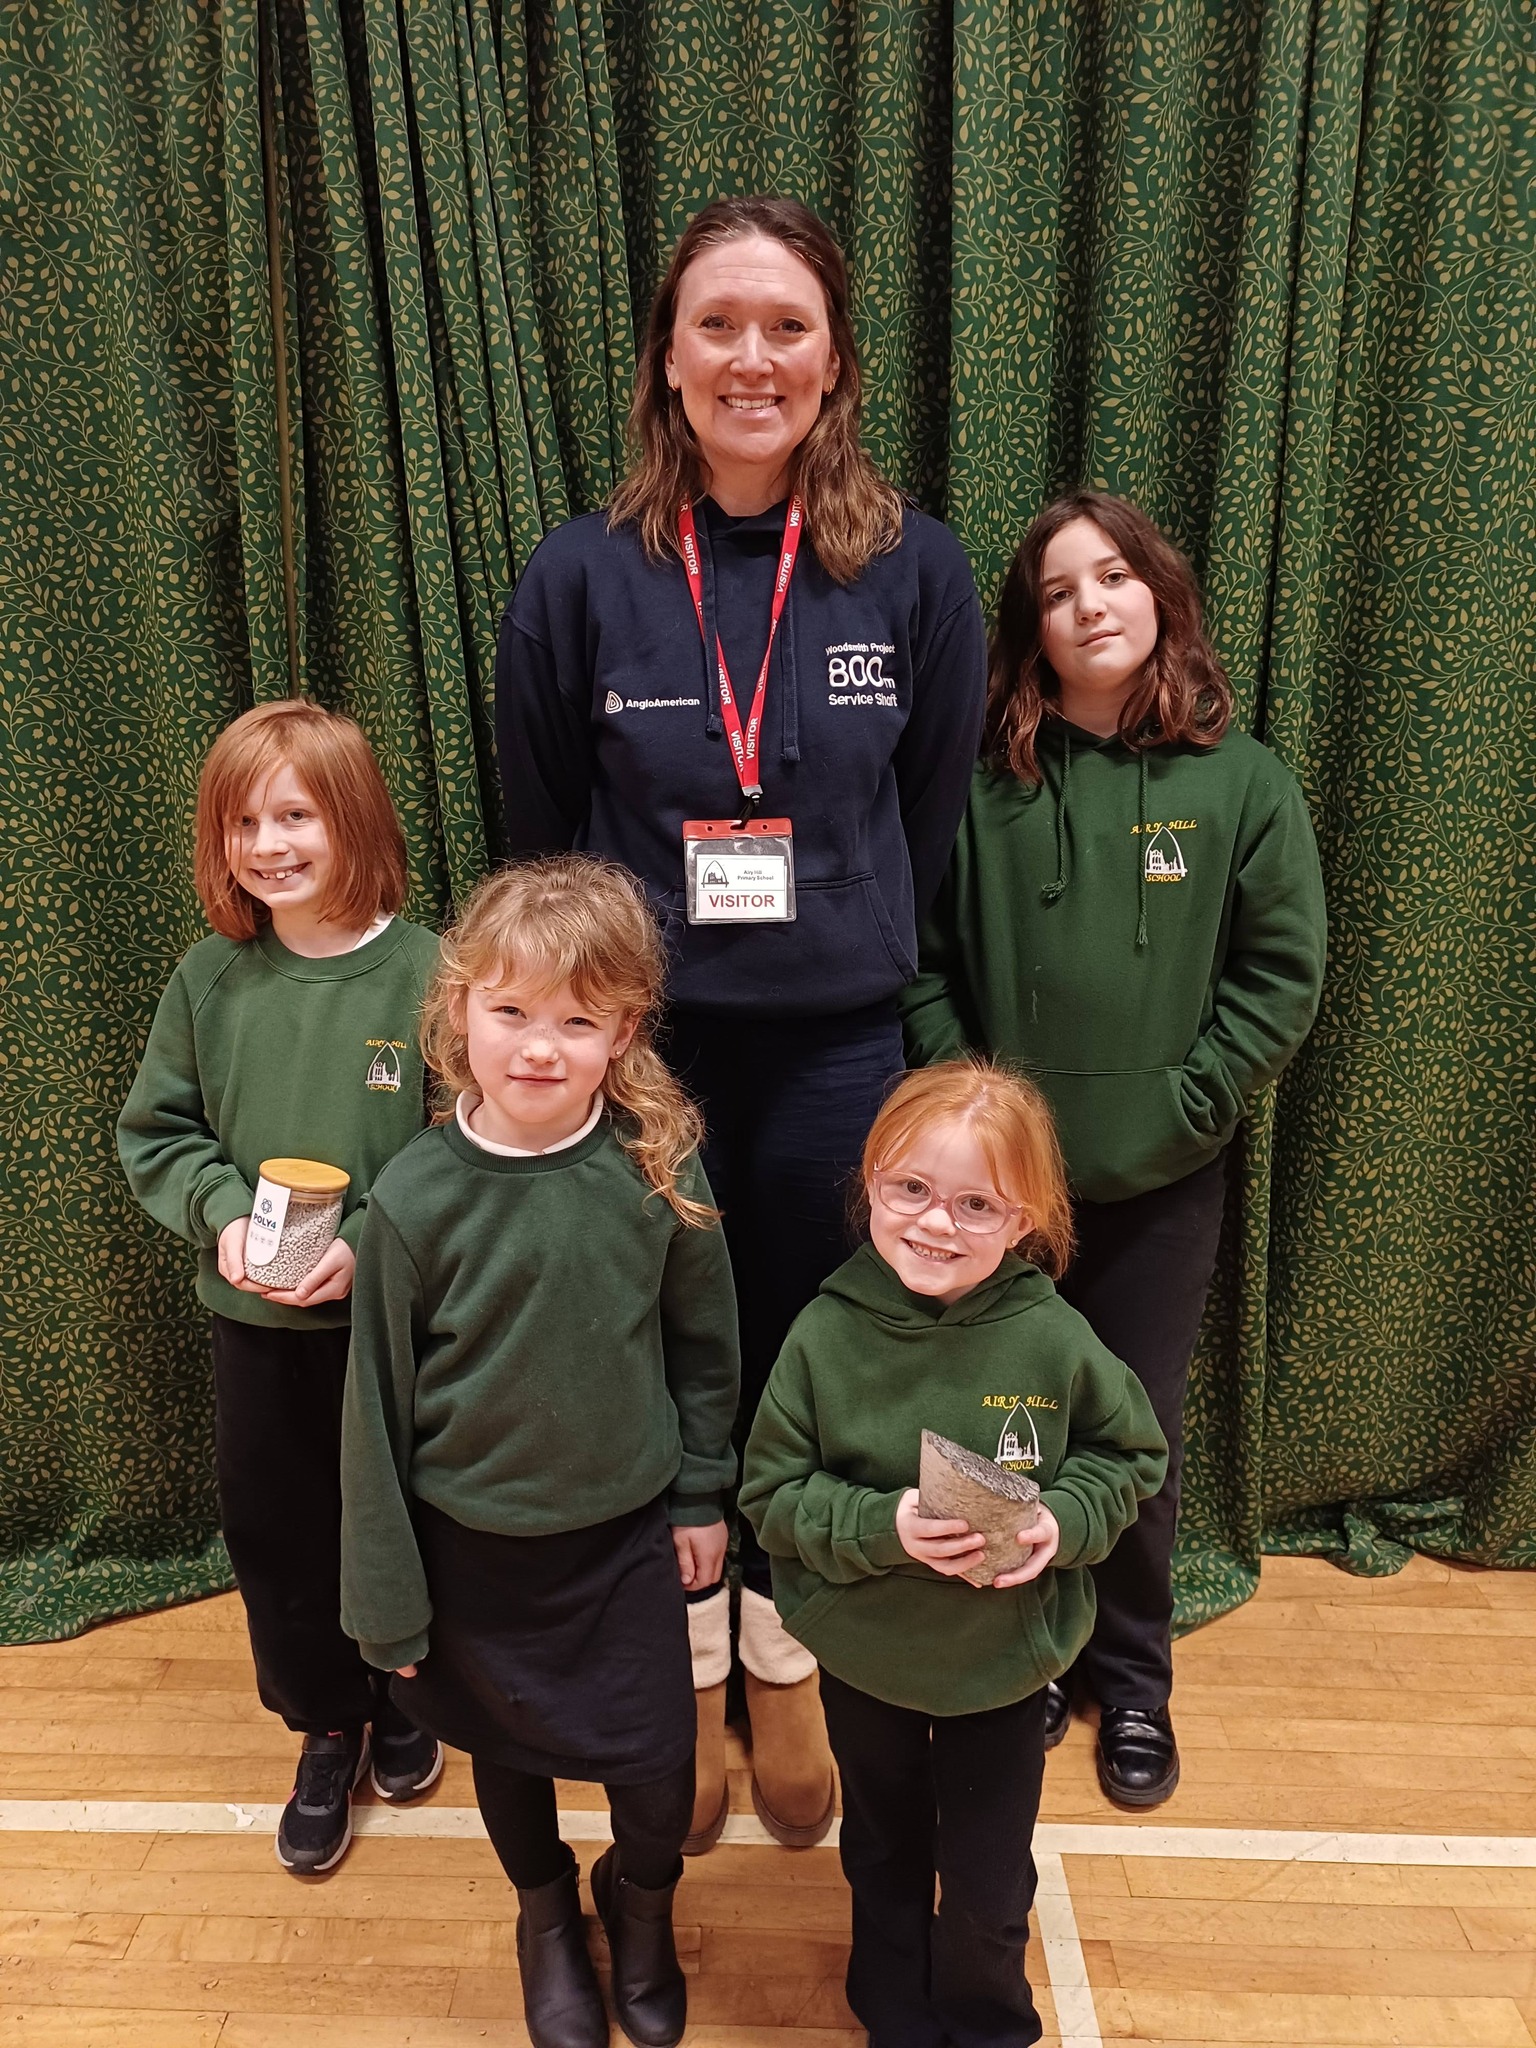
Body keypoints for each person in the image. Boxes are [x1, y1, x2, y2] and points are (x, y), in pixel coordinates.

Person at [495, 195, 987, 1850]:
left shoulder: (914, 569)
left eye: (786, 326)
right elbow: (542, 833)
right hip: (643, 1058)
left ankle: (781, 1661)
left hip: (837, 1051)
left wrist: (843, 930)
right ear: (668, 358)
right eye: (717, 325)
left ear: (835, 361)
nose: (751, 358)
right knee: (646, 1356)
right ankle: (680, 1662)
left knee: (804, 1355)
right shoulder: (581, 573)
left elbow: (926, 820)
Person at [901, 492, 1327, 1807]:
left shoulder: (1242, 781)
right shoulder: (980, 787)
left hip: (1160, 1180)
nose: (1089, 605)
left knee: (1133, 1430)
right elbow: (920, 962)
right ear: (1030, 628)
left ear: (1161, 597)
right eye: (1057, 590)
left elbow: (1281, 975)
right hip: (999, 1194)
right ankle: (1026, 1652)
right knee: (1007, 1421)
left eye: (1114, 577)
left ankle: (1133, 1679)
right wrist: (976, 1113)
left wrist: (1192, 1102)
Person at [339, 855, 739, 2048]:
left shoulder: (654, 1167)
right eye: (510, 1009)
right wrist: (387, 1602)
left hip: (621, 1546)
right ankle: (548, 1912)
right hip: (472, 1553)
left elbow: (704, 1344)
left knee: (660, 1780)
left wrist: (700, 1489)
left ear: (625, 1028)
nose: (539, 1046)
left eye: (577, 1019)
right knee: (505, 1758)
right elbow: (372, 1414)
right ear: (458, 1007)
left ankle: (642, 1900)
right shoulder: (412, 1199)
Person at [739, 1061, 1166, 2048]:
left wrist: (1065, 1517)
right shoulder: (823, 1334)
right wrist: (879, 1525)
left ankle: (985, 2023)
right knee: (882, 1851)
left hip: (999, 1667)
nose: (937, 1222)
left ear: (1025, 1218)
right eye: (913, 1188)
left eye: (977, 1203)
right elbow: (770, 1496)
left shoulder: (1054, 1338)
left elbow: (1129, 1456)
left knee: (987, 1879)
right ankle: (893, 2015)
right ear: (871, 1183)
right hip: (866, 1655)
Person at [116, 698, 442, 1875]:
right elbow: (159, 1131)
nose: (268, 843)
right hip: (256, 1321)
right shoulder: (210, 979)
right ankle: (327, 1722)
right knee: (280, 1523)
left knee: (398, 1509)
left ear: (352, 816)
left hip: (391, 1318)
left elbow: (462, 1142)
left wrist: (365, 1234)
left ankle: (405, 1690)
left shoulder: (432, 974)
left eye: (295, 814)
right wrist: (220, 1216)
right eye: (243, 820)